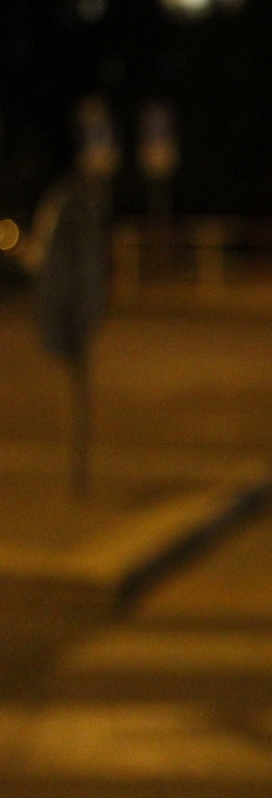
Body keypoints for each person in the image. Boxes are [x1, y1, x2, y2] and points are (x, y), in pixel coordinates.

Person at [32, 96, 119, 497]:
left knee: (75, 397)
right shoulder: (75, 204)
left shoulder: (64, 202)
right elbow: (80, 264)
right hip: (68, 312)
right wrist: (88, 306)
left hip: (64, 311)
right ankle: (76, 476)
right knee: (74, 398)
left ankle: (77, 474)